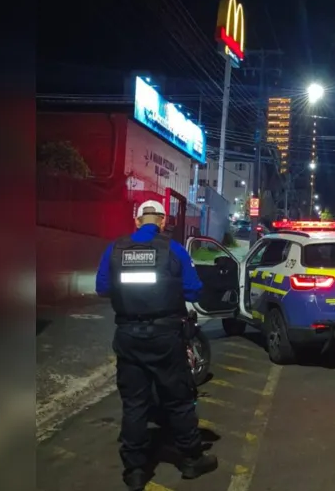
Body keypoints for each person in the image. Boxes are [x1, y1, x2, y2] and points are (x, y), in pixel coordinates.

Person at [95, 200, 218, 490]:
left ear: (137, 221)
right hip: (165, 337)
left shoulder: (115, 249)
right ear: (163, 222)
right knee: (178, 399)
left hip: (128, 336)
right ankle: (191, 459)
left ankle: (135, 471)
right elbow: (194, 290)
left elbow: (102, 288)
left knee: (134, 403)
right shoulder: (174, 250)